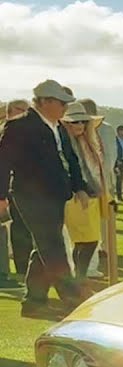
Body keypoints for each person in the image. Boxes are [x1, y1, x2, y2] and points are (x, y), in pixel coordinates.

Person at [0, 79, 90, 319]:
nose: (64, 108)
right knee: (52, 246)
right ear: (46, 102)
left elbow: (70, 159)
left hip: (56, 195)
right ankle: (72, 298)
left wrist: (79, 187)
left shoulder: (59, 127)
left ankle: (34, 302)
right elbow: (3, 162)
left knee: (43, 247)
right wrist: (0, 196)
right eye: (61, 103)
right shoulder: (19, 126)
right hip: (29, 196)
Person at [60, 102, 111, 279]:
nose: (80, 125)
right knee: (87, 240)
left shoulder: (88, 141)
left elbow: (97, 169)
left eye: (83, 121)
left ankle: (78, 277)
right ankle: (79, 277)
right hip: (76, 194)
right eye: (75, 122)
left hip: (92, 193)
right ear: (66, 124)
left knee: (86, 240)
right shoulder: (64, 142)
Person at [2, 99, 34, 288]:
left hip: (26, 187)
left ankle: (24, 266)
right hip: (9, 188)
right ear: (9, 112)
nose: (23, 113)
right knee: (18, 227)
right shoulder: (6, 131)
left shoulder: (29, 133)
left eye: (26, 110)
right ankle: (20, 267)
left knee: (26, 227)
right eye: (19, 110)